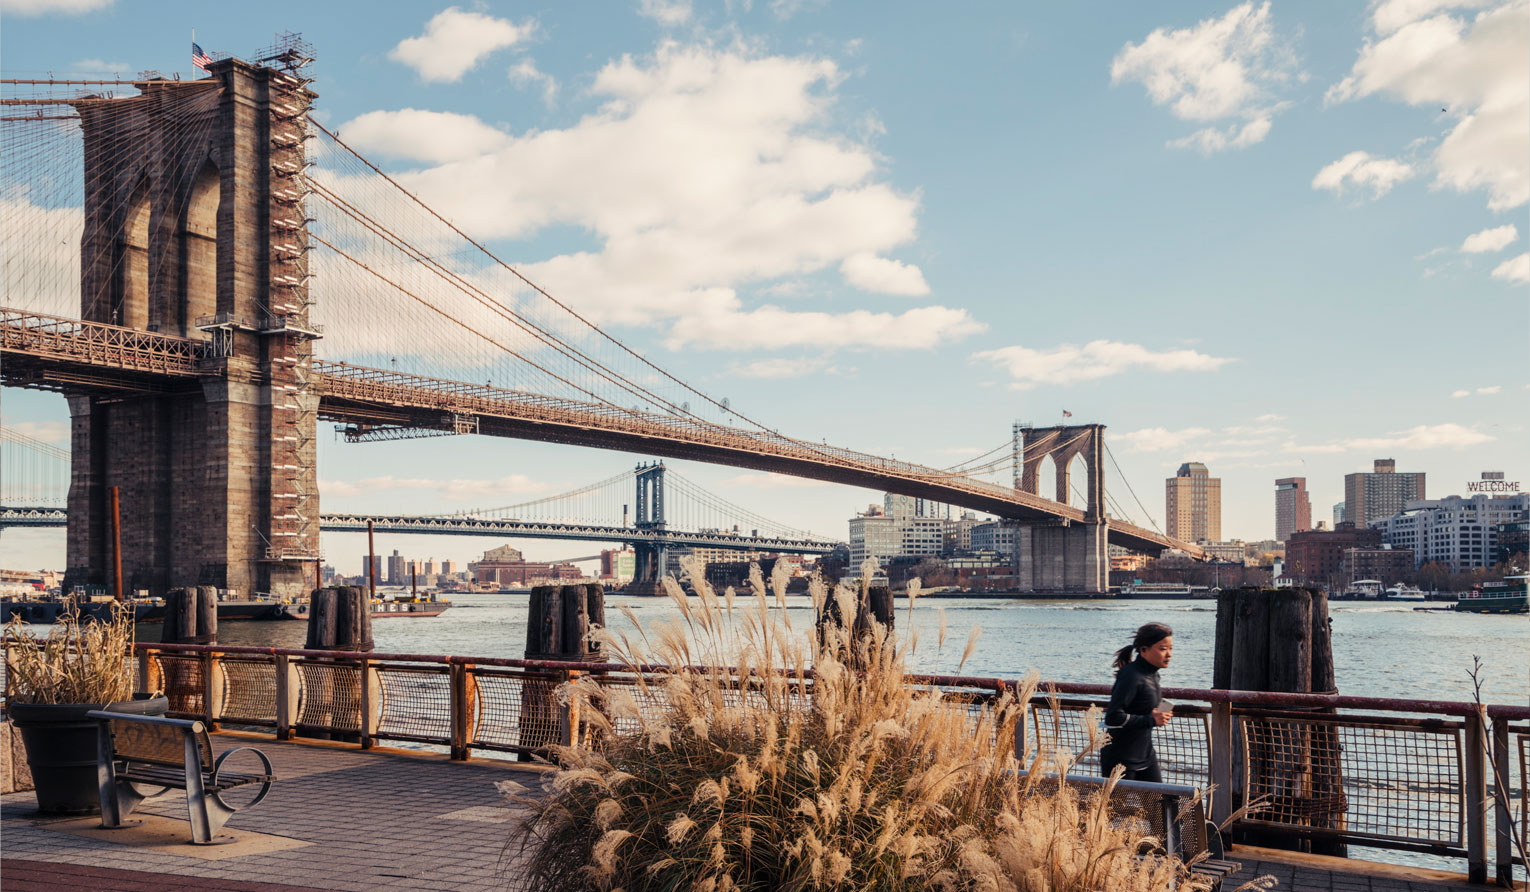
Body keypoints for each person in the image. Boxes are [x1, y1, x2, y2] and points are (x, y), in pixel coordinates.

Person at [1100, 622, 1173, 783]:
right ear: (1143, 650)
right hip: (1120, 758)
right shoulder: (1131, 675)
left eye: (1170, 649)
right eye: (1162, 649)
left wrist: (1155, 714)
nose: (1169, 654)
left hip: (1145, 755)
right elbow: (1113, 716)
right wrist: (1151, 720)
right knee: (1116, 809)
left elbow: (1139, 706)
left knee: (1160, 807)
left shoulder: (1154, 674)